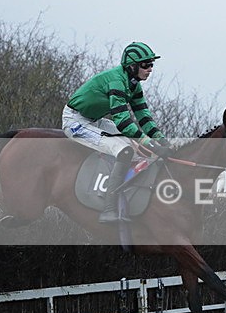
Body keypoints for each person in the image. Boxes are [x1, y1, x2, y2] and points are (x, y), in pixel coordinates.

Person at [62, 41, 173, 223]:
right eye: (146, 65)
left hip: (95, 120)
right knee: (124, 150)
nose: (150, 69)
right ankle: (108, 208)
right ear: (132, 66)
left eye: (152, 64)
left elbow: (143, 117)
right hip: (75, 121)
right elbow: (122, 122)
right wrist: (151, 144)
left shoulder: (134, 85)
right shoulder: (117, 81)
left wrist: (162, 141)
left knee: (137, 148)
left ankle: (126, 193)